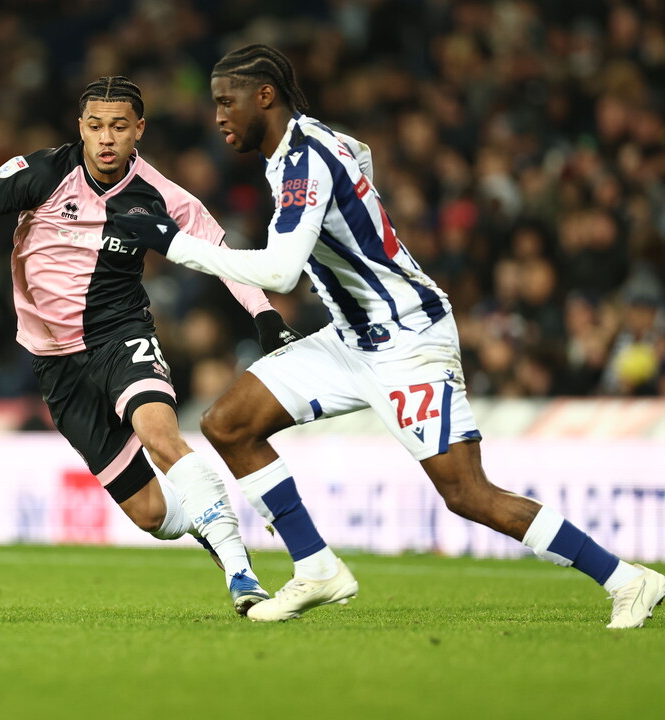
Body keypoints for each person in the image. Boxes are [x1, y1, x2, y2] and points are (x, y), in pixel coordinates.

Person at [114, 45, 665, 628]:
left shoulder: (303, 160)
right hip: (353, 337)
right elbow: (364, 156)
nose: (218, 116)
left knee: (467, 493)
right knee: (228, 423)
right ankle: (317, 567)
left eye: (227, 102)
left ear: (264, 96)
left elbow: (280, 271)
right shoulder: (307, 143)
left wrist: (172, 243)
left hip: (408, 339)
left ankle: (627, 579)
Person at [0, 76, 302, 615]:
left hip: (120, 334)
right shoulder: (42, 172)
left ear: (138, 130)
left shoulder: (160, 195)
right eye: (95, 126)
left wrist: (263, 316)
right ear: (80, 127)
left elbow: (220, 251)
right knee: (150, 514)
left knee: (161, 436)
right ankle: (211, 506)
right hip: (53, 362)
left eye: (119, 127)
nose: (106, 139)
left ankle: (242, 577)